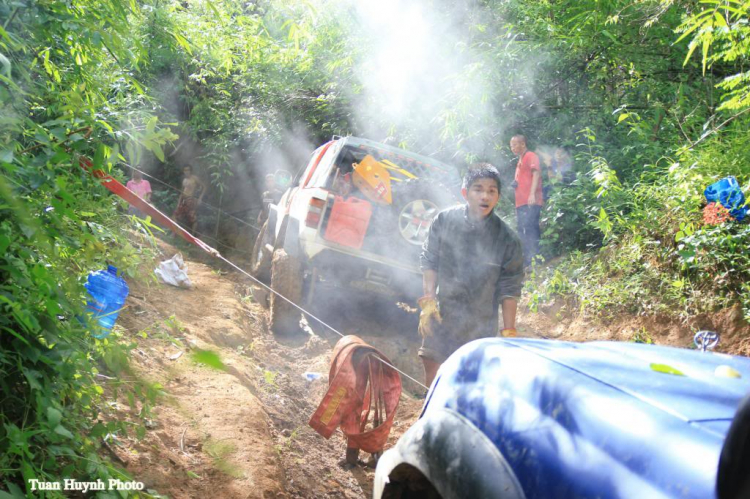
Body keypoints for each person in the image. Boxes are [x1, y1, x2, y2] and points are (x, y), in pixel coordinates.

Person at [417, 165, 525, 386]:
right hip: (442, 314)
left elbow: (510, 286)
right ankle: (430, 413)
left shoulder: (507, 238)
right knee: (433, 366)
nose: (485, 196)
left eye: (492, 190)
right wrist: (429, 300)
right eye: (478, 189)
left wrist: (509, 330)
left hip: (480, 322)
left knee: (470, 381)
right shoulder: (444, 220)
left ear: (498, 197)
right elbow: (430, 259)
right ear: (465, 192)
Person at [510, 135, 543, 267]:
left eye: (514, 145)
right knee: (522, 230)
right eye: (511, 146)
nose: (512, 148)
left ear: (522, 144)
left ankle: (536, 260)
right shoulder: (520, 160)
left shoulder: (530, 156)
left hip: (530, 201)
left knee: (531, 228)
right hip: (521, 202)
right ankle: (528, 260)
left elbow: (536, 174)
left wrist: (531, 194)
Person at [173, 165, 205, 234]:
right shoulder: (184, 180)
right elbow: (182, 192)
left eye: (188, 170)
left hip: (190, 200)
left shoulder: (194, 178)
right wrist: (179, 202)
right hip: (183, 200)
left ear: (190, 171)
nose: (186, 172)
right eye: (185, 170)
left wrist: (200, 198)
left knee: (193, 218)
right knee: (176, 215)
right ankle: (174, 233)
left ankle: (192, 238)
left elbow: (204, 187)